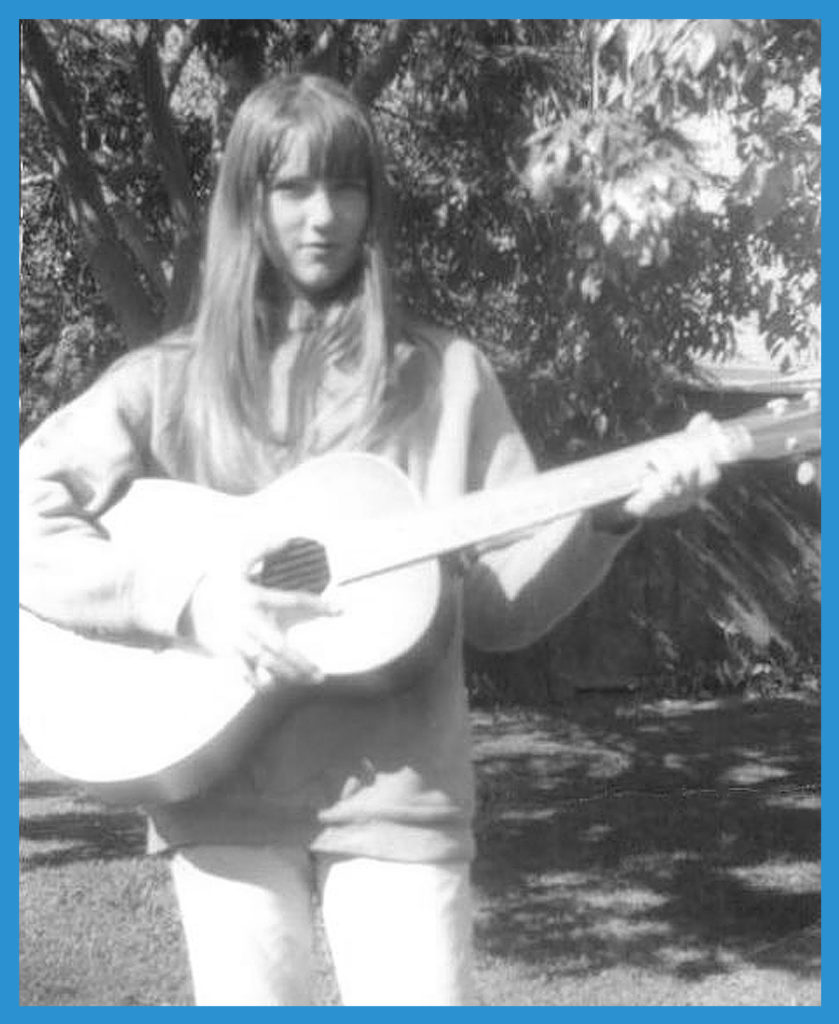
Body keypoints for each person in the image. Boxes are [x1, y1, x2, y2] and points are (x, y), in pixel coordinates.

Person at [19, 73, 726, 1006]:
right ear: (247, 203)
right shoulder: (170, 381)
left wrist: (611, 513)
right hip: (218, 788)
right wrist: (183, 598)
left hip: (403, 792)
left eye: (347, 188)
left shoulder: (448, 378)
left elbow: (498, 613)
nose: (324, 216)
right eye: (293, 188)